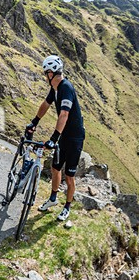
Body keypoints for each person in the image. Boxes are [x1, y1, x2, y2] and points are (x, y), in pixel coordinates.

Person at [25, 55, 85, 222]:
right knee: (55, 168)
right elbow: (46, 104)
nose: (45, 76)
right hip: (64, 135)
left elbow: (64, 114)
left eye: (46, 73)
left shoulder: (66, 87)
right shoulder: (55, 87)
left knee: (69, 175)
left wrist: (53, 138)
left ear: (51, 73)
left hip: (75, 137)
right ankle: (52, 199)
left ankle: (67, 207)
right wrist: (34, 121)